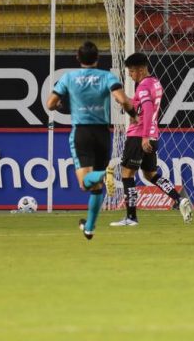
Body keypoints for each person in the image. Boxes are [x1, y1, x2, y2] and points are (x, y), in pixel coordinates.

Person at [47, 41, 136, 240]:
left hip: (82, 133)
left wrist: (63, 105)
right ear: (98, 58)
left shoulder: (69, 78)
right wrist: (134, 115)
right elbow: (123, 100)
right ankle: (89, 228)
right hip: (103, 134)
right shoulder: (107, 77)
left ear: (78, 58)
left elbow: (50, 103)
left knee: (85, 184)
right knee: (96, 188)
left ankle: (105, 173)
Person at [107, 52, 193, 226]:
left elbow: (146, 107)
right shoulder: (155, 83)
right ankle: (179, 199)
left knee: (126, 173)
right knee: (150, 174)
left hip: (139, 135)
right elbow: (144, 106)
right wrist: (128, 102)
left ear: (140, 70)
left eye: (131, 72)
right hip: (153, 134)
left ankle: (131, 218)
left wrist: (144, 136)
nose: (130, 76)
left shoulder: (143, 86)